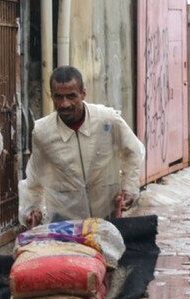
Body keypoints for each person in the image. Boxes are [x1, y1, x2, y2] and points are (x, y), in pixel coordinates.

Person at [19, 66, 144, 228]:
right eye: (58, 97)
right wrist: (33, 209)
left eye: (71, 96)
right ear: (51, 96)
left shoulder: (107, 119)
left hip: (106, 214)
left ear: (83, 93)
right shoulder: (42, 132)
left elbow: (133, 152)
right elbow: (35, 178)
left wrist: (128, 189)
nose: (65, 104)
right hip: (64, 221)